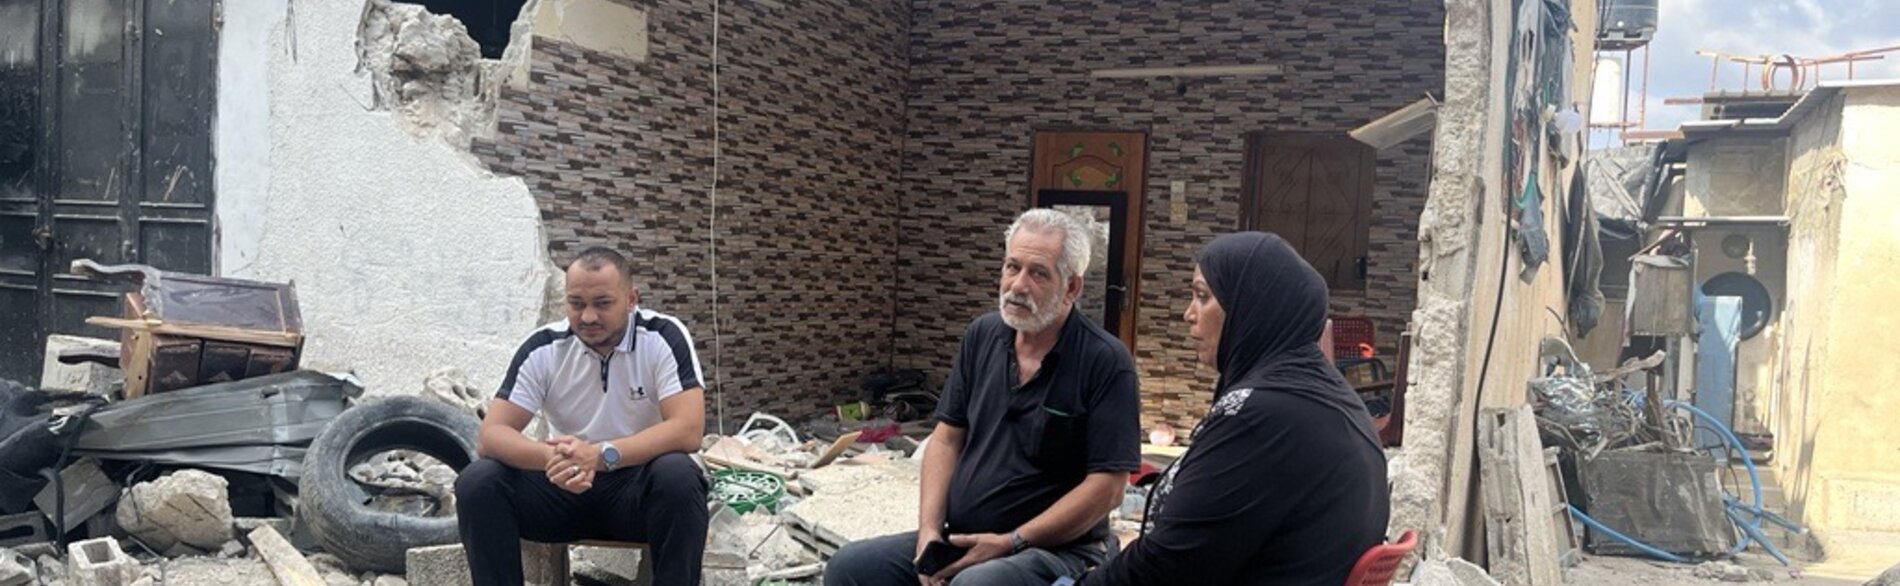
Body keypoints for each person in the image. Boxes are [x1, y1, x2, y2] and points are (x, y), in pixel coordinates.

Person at [825, 209, 1142, 586]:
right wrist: (929, 532)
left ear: (1071, 288)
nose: (1018, 285)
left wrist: (1012, 540)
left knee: (977, 585)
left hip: (1053, 550)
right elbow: (946, 438)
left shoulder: (1105, 361)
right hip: (962, 537)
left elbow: (1108, 487)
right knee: (850, 568)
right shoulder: (983, 335)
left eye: (1038, 273)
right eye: (1012, 267)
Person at [1078, 232, 1390, 586]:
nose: (1188, 314)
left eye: (1202, 296)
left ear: (1251, 307)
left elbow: (1168, 564)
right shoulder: (1323, 393)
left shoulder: (1266, 415)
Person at [455, 247, 709, 586]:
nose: (588, 316)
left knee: (678, 475)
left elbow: (687, 429)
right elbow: (492, 435)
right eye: (576, 303)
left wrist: (601, 455)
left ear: (632, 298)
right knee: (478, 481)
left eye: (603, 303)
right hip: (563, 492)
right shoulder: (544, 348)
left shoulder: (662, 337)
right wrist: (552, 459)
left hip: (637, 495)